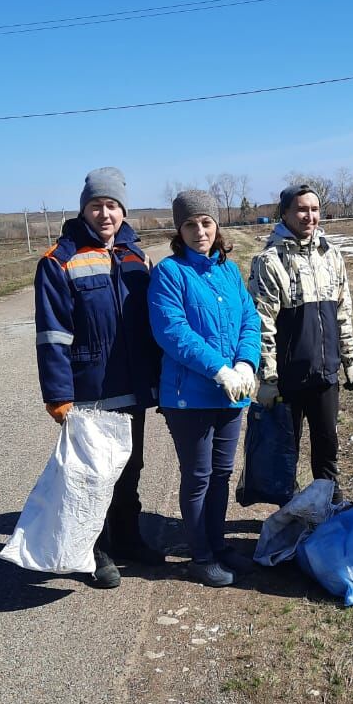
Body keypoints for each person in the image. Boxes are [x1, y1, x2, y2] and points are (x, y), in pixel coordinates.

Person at [34, 166, 163, 590]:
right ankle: (96, 549)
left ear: (123, 210)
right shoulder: (59, 260)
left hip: (132, 384)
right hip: (89, 388)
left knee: (131, 466)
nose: (104, 214)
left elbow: (151, 325)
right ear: (84, 209)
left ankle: (128, 538)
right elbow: (52, 335)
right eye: (96, 205)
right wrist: (57, 394)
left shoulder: (135, 256)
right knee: (95, 473)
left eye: (112, 205)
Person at [148, 191, 261, 588]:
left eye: (207, 222)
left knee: (222, 473)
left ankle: (220, 544)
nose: (200, 231)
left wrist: (247, 362)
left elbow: (250, 318)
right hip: (189, 396)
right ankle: (201, 556)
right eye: (191, 224)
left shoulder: (229, 271)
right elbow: (172, 331)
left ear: (217, 226)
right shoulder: (169, 273)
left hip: (232, 393)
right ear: (179, 229)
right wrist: (219, 369)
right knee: (198, 475)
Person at [248, 183, 353, 498]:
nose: (309, 216)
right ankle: (287, 515)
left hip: (325, 374)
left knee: (327, 449)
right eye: (301, 209)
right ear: (284, 213)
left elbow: (343, 311)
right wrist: (267, 379)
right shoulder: (269, 261)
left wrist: (349, 360)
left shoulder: (331, 255)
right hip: (288, 379)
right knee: (286, 452)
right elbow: (262, 325)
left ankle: (328, 513)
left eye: (314, 209)